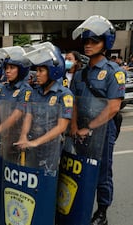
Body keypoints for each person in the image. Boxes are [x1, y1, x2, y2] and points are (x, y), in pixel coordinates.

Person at [71, 15, 125, 225]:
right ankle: (80, 205)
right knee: (79, 168)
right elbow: (74, 103)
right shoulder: (79, 74)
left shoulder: (114, 72)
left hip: (103, 130)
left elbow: (113, 107)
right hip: (80, 128)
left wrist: (90, 128)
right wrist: (75, 126)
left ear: (105, 44)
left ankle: (102, 212)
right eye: (86, 41)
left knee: (102, 171)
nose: (88, 45)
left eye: (94, 41)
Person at [14, 42, 74, 172]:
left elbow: (61, 126)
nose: (37, 74)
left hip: (50, 148)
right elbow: (29, 115)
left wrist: (36, 142)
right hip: (32, 145)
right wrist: (24, 136)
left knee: (46, 183)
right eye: (37, 70)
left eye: (41, 71)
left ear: (53, 71)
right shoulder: (35, 92)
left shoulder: (64, 95)